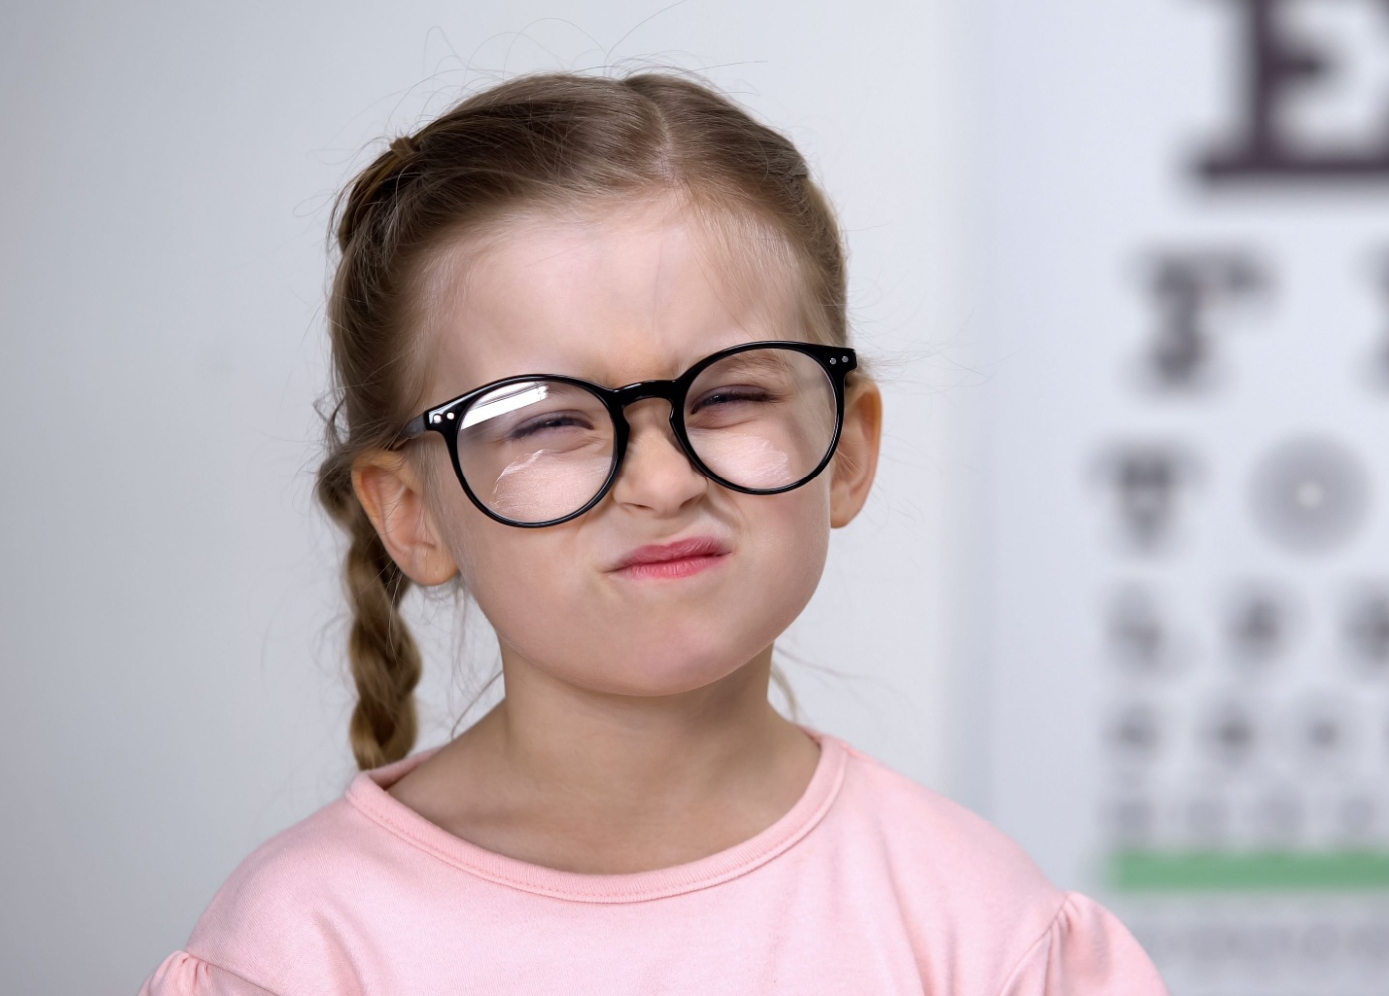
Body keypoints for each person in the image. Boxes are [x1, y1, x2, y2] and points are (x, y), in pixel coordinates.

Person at [138, 71, 1168, 996]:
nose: (663, 481)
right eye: (545, 419)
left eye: (727, 395)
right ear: (412, 513)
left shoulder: (985, 935)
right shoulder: (297, 954)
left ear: (848, 447)